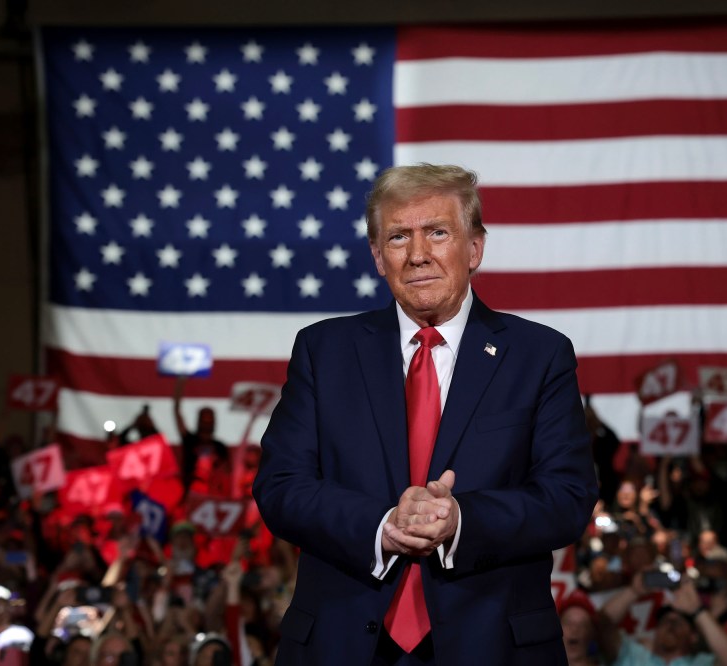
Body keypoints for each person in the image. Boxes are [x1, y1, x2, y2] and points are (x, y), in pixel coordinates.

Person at [252, 164, 598, 664]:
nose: (418, 255)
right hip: (341, 642)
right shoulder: (323, 350)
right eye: (398, 237)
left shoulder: (539, 355)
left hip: (493, 644)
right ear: (377, 257)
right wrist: (382, 526)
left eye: (437, 232)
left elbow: (567, 497)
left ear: (474, 248)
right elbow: (280, 485)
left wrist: (461, 520)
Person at [598, 569, 727, 666]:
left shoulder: (701, 662)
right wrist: (633, 591)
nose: (671, 626)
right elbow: (602, 623)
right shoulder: (633, 655)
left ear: (693, 636)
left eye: (678, 623)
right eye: (666, 621)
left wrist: (697, 610)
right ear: (655, 631)